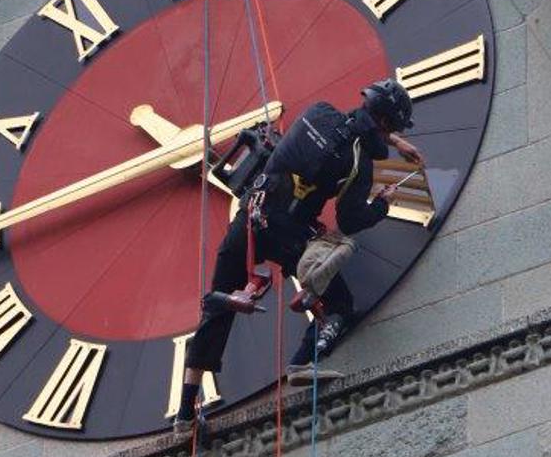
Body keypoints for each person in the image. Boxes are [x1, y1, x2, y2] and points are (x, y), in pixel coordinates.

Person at [173, 78, 424, 432]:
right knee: (340, 305)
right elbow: (350, 220)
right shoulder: (360, 163)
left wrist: (393, 141)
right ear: (386, 122)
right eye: (392, 128)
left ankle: (185, 413)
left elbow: (354, 124)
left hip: (250, 216)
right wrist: (382, 204)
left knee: (217, 310)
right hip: (291, 236)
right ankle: (302, 362)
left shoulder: (318, 113)